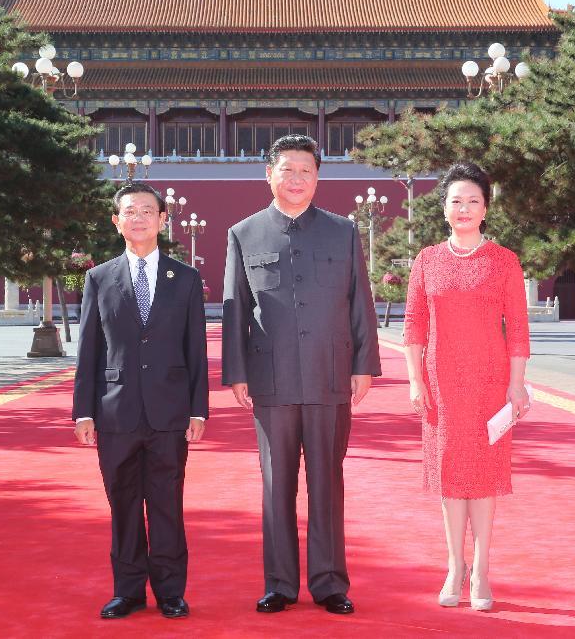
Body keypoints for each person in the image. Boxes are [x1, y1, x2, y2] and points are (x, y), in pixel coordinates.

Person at [222, 134, 381, 615]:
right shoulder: (244, 233)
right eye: (287, 170)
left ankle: (330, 582)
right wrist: (236, 372)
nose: (296, 179)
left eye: (306, 171)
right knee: (277, 486)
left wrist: (364, 365)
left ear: (318, 177)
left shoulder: (342, 232)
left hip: (330, 376)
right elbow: (236, 309)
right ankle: (280, 584)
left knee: (327, 482)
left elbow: (360, 302)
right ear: (268, 174)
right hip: (271, 380)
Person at [72, 181, 208, 620]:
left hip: (169, 414)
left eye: (148, 211)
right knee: (124, 503)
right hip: (116, 413)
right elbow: (89, 348)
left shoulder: (185, 279)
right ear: (117, 222)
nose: (139, 218)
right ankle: (127, 591)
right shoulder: (99, 277)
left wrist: (197, 408)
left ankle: (171, 591)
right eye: (130, 211)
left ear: (163, 220)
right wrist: (84, 411)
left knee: (167, 502)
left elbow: (196, 350)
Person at [402, 161, 530, 612]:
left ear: (486, 208)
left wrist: (517, 385)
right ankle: (455, 566)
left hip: (491, 383)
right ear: (443, 208)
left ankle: (482, 568)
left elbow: (517, 328)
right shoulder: (427, 260)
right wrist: (416, 380)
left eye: (473, 201)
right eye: (455, 200)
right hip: (441, 383)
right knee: (450, 476)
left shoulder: (504, 262)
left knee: (484, 477)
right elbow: (414, 325)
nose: (464, 208)